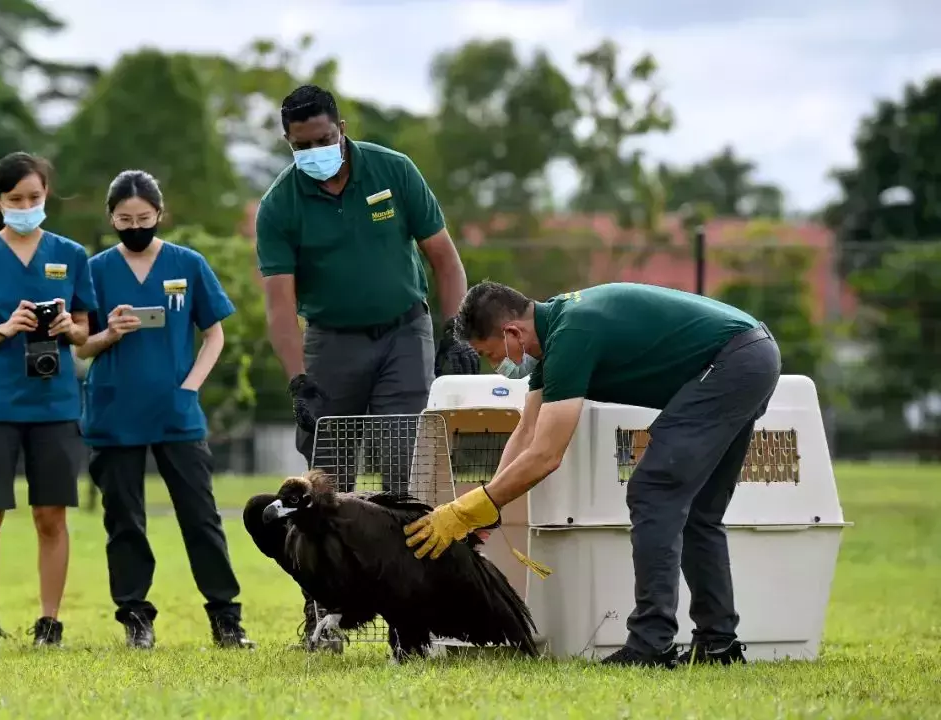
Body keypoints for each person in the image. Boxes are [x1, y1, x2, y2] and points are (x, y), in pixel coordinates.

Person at [402, 281, 782, 668]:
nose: (494, 363)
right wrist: (489, 511)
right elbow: (527, 431)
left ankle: (652, 643)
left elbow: (547, 455)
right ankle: (718, 645)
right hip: (749, 356)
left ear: (512, 332)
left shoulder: (572, 334)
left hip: (734, 362)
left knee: (653, 490)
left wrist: (466, 509)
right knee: (699, 512)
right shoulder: (559, 333)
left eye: (490, 353)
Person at [253, 83, 480, 651]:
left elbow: (445, 260)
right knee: (325, 484)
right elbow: (280, 306)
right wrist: (298, 380)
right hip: (331, 342)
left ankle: (412, 621)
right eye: (303, 144)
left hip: (404, 333)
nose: (316, 150)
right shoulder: (281, 204)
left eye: (325, 138)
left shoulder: (393, 171)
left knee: (404, 475)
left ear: (342, 127)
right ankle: (324, 614)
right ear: (288, 141)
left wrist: (453, 334)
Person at [74, 170, 254, 651]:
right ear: (111, 218)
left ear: (160, 215)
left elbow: (214, 331)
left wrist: (190, 385)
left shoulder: (188, 264)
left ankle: (226, 618)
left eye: (144, 217)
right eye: (124, 218)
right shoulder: (92, 271)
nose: (134, 225)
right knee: (124, 521)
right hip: (114, 414)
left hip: (177, 414)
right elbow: (78, 348)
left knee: (200, 517)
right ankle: (135, 617)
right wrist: (108, 334)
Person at [0, 151, 98, 649]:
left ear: (45, 196)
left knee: (50, 515)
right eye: (16, 199)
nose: (27, 205)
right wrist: (6, 328)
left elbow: (84, 329)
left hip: (54, 405)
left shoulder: (71, 255)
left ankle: (49, 623)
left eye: (34, 197)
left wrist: (65, 327)